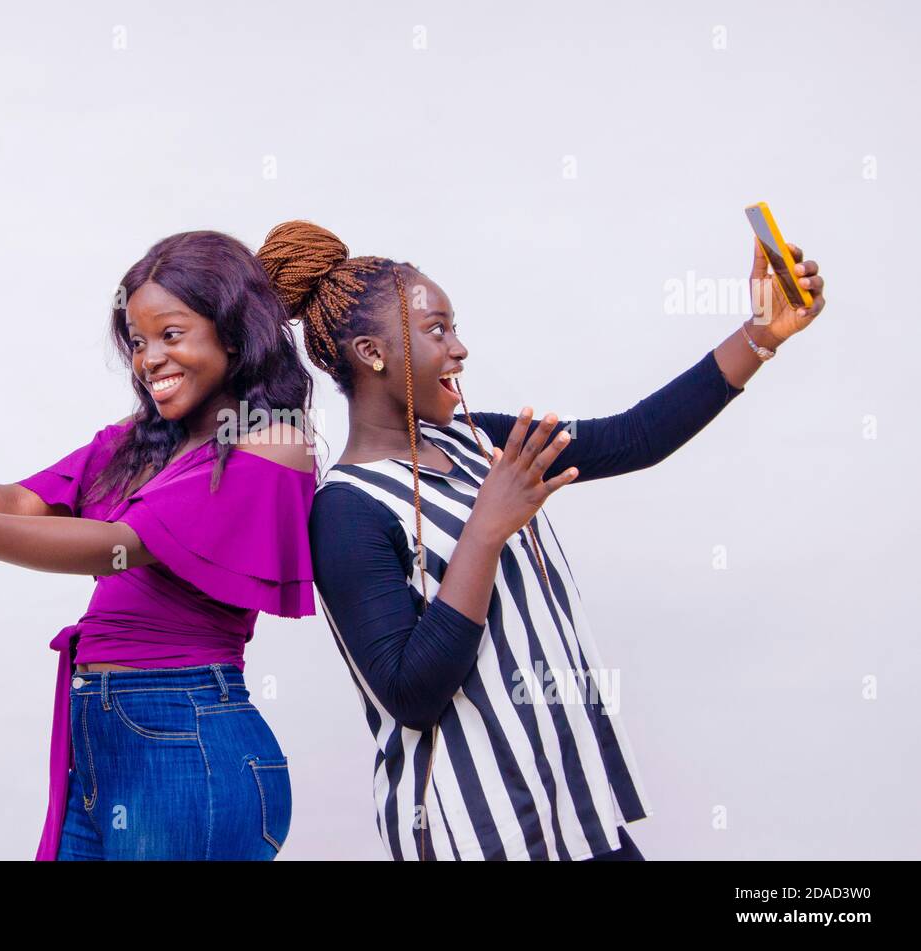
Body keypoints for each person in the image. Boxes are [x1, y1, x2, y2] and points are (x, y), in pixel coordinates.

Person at [256, 220, 826, 861]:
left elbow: (633, 437)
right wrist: (487, 529)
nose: (460, 347)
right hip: (472, 832)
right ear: (372, 353)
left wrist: (763, 334)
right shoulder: (346, 510)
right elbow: (410, 693)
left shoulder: (480, 442)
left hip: (570, 809)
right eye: (437, 328)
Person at [0, 230, 318, 860]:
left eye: (171, 335)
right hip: (100, 733)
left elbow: (115, 545)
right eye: (139, 343)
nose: (150, 361)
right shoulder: (139, 441)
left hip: (186, 733)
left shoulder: (271, 441)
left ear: (233, 332)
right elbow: (19, 501)